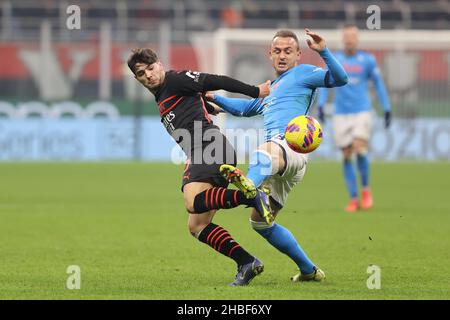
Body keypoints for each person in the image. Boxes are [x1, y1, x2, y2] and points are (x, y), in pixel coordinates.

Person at [206, 29, 348, 282]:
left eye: (288, 51)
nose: (282, 56)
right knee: (260, 224)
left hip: (290, 148)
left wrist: (324, 51)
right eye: (277, 51)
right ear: (270, 55)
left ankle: (250, 187)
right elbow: (245, 108)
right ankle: (309, 271)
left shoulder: (303, 73)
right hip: (280, 164)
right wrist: (215, 99)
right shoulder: (271, 88)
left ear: (297, 55)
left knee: (263, 151)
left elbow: (341, 78)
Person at [127, 48, 272, 286]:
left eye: (151, 68)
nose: (149, 75)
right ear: (137, 78)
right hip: (205, 150)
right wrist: (207, 105)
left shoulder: (174, 80)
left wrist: (255, 92)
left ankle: (252, 197)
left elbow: (216, 80)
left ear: (160, 64)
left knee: (193, 202)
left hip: (209, 147)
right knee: (197, 225)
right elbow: (193, 103)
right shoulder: (164, 93)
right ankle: (247, 262)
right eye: (142, 73)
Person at [317, 24, 391, 212]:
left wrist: (387, 108)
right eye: (347, 36)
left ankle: (365, 189)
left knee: (360, 148)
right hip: (341, 113)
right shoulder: (335, 59)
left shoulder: (368, 60)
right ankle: (353, 198)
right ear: (343, 39)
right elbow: (325, 83)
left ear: (357, 39)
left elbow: (379, 85)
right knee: (346, 154)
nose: (350, 40)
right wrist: (321, 105)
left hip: (362, 111)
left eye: (353, 36)